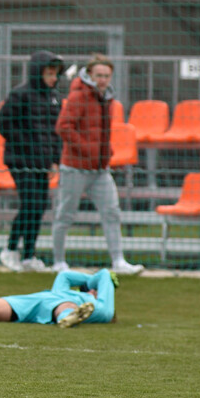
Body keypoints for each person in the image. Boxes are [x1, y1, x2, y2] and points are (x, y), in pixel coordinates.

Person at [52, 56, 144, 275]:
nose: (103, 80)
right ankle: (58, 261)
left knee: (112, 212)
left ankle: (118, 261)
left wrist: (106, 152)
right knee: (65, 214)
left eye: (106, 76)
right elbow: (64, 127)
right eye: (99, 75)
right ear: (90, 75)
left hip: (100, 169)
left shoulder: (107, 98)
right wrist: (88, 149)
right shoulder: (78, 97)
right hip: (75, 167)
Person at [0, 50, 63, 273]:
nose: (54, 78)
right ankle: (10, 250)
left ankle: (28, 256)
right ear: (38, 72)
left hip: (42, 162)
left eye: (56, 74)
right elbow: (3, 124)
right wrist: (25, 144)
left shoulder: (54, 98)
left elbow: (55, 133)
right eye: (50, 73)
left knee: (39, 206)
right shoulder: (19, 94)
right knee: (30, 203)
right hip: (21, 160)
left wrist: (54, 160)